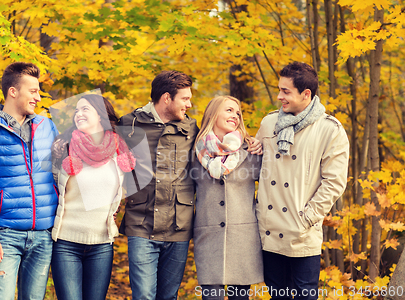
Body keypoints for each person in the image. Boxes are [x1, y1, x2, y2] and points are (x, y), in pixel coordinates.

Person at [0, 62, 59, 300]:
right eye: (33, 91)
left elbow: (64, 174)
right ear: (13, 91)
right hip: (5, 234)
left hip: (44, 234)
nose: (38, 97)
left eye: (39, 91)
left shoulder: (47, 126)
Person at [255, 62, 349, 300]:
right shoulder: (269, 123)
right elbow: (256, 169)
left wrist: (307, 218)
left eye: (286, 91)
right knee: (278, 296)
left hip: (302, 233)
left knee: (306, 296)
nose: (279, 96)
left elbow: (334, 182)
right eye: (279, 89)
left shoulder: (330, 130)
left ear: (306, 94)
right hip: (269, 229)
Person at [116, 70, 199, 300]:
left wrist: (251, 143)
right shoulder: (129, 124)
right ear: (166, 98)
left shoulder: (192, 129)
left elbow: (220, 147)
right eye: (185, 98)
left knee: (168, 296)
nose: (189, 104)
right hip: (141, 224)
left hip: (178, 226)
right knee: (143, 295)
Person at [50, 94, 136, 300]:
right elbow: (50, 189)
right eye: (76, 110)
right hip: (65, 244)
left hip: (101, 246)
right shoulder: (64, 148)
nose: (78, 114)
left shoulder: (118, 152)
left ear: (101, 115)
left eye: (85, 109)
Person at [192, 95, 263, 300]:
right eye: (229, 110)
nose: (235, 116)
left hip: (243, 239)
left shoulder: (251, 150)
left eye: (238, 112)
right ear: (213, 114)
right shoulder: (196, 152)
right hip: (208, 237)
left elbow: (270, 190)